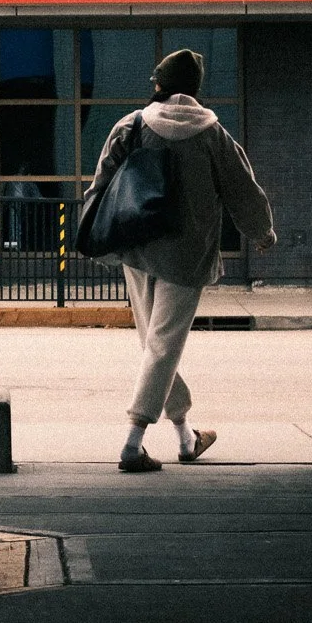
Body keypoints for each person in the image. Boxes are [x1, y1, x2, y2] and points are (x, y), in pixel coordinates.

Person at [86, 48, 276, 472]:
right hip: (187, 257)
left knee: (156, 346)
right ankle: (133, 445)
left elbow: (100, 186)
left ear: (159, 84)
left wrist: (99, 239)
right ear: (195, 90)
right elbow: (244, 191)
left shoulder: (131, 125)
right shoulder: (213, 134)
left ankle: (185, 436)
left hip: (138, 249)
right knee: (163, 346)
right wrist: (262, 234)